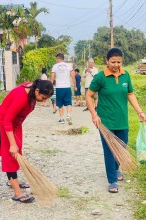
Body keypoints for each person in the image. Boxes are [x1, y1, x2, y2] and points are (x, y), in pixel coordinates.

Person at [86, 48, 146, 193]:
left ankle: (116, 169)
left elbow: (130, 94)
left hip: (122, 120)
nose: (116, 65)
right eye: (113, 62)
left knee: (122, 148)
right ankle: (112, 180)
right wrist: (94, 115)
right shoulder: (100, 77)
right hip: (105, 121)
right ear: (107, 61)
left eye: (119, 62)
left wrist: (140, 112)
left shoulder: (126, 76)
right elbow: (89, 95)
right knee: (109, 150)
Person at [0, 79, 53, 203]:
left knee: (17, 153)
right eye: (43, 97)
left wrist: (4, 104)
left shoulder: (32, 88)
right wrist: (12, 144)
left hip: (15, 124)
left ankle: (13, 180)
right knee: (10, 155)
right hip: (4, 123)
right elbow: (7, 120)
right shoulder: (21, 97)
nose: (43, 100)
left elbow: (14, 92)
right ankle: (17, 193)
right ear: (37, 91)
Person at [50, 53, 77, 125]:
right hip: (67, 87)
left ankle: (62, 119)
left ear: (58, 58)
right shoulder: (69, 66)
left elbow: (52, 77)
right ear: (63, 58)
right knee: (69, 102)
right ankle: (68, 115)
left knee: (60, 103)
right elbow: (73, 77)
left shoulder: (55, 66)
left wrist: (50, 86)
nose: (56, 60)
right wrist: (75, 86)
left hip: (59, 87)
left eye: (56, 59)